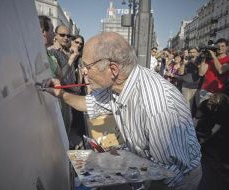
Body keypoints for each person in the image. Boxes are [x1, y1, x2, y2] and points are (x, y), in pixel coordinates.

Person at [41, 32, 202, 190]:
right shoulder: (117, 84)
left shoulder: (158, 106)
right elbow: (88, 103)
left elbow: (166, 173)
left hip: (174, 181)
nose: (83, 72)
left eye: (87, 67)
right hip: (150, 167)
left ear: (113, 69)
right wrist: (60, 93)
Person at [199, 38, 229, 102]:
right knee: (202, 111)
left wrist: (213, 56)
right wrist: (203, 58)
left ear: (227, 47)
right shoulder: (210, 59)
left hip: (220, 92)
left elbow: (221, 70)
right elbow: (201, 73)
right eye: (218, 46)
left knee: (216, 111)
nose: (220, 48)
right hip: (205, 90)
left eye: (222, 46)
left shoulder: (227, 59)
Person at [178, 47, 202, 116]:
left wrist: (193, 62)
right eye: (190, 52)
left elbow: (201, 72)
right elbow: (180, 73)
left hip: (197, 87)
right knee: (186, 108)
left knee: (198, 108)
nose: (192, 54)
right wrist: (183, 64)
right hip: (186, 86)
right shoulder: (186, 60)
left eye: (194, 52)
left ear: (197, 53)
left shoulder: (201, 60)